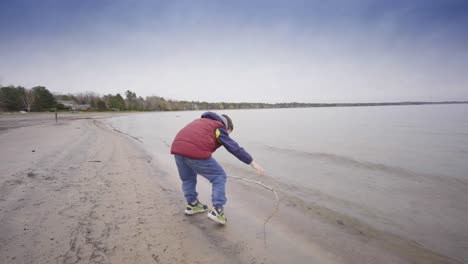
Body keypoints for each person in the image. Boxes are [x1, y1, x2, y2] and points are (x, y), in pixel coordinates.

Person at [170, 112, 264, 225]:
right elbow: (233, 147)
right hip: (194, 151)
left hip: (177, 149)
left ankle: (192, 204)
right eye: (228, 132)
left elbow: (197, 137)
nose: (227, 135)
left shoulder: (201, 122)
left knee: (188, 178)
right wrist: (252, 163)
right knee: (219, 176)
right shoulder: (218, 127)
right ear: (227, 127)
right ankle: (217, 210)